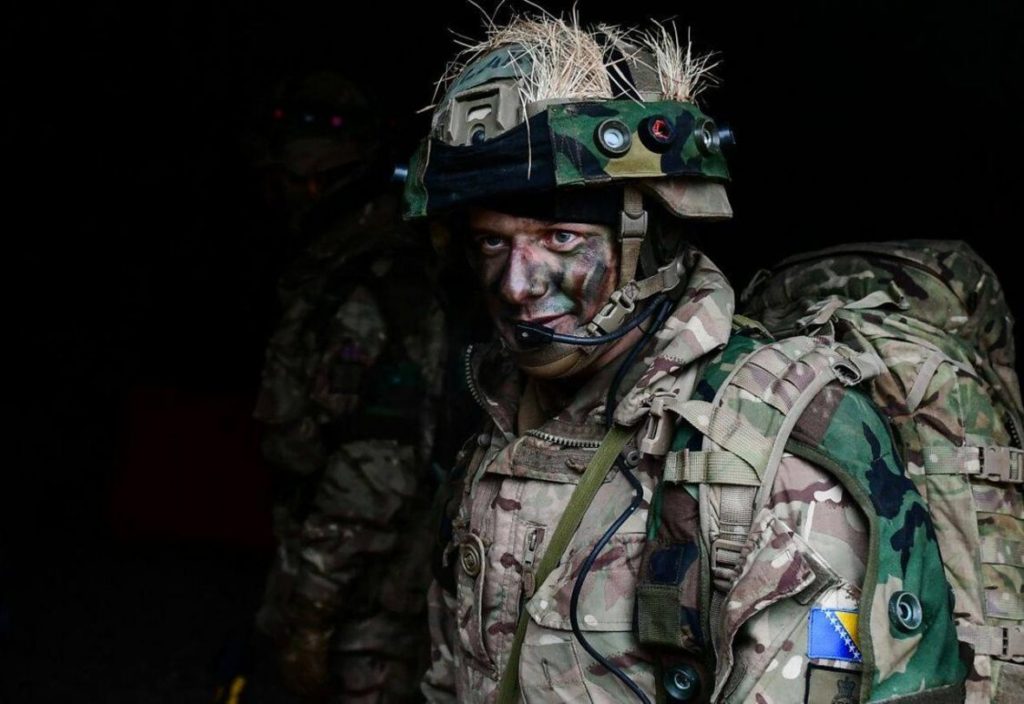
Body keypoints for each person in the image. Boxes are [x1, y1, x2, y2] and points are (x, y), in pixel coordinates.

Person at [403, 14, 966, 703]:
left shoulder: (769, 455)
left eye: (560, 238)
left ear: (651, 240)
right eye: (493, 243)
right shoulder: (501, 424)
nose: (518, 286)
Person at [252, 70, 445, 702]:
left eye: (295, 182)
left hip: (368, 611)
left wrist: (313, 608)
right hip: (330, 578)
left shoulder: (379, 279)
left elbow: (375, 465)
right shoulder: (326, 271)